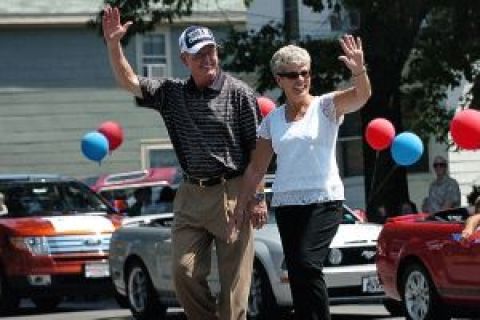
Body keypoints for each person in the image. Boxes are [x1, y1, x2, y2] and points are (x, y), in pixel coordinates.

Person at [102, 6, 263, 320]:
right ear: (184, 60)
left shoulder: (240, 94)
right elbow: (129, 81)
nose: (207, 59)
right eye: (198, 54)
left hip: (231, 191)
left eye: (211, 51)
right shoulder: (171, 94)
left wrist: (256, 198)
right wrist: (113, 44)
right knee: (183, 272)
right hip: (190, 194)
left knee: (235, 288)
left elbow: (257, 153)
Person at [231, 36, 371, 320]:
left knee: (308, 264)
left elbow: (361, 95)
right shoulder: (272, 121)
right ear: (278, 79)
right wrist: (244, 203)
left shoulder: (326, 106)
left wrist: (359, 70)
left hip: (325, 200)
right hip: (286, 203)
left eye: (305, 72)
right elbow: (256, 168)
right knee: (296, 273)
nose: (300, 79)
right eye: (293, 74)